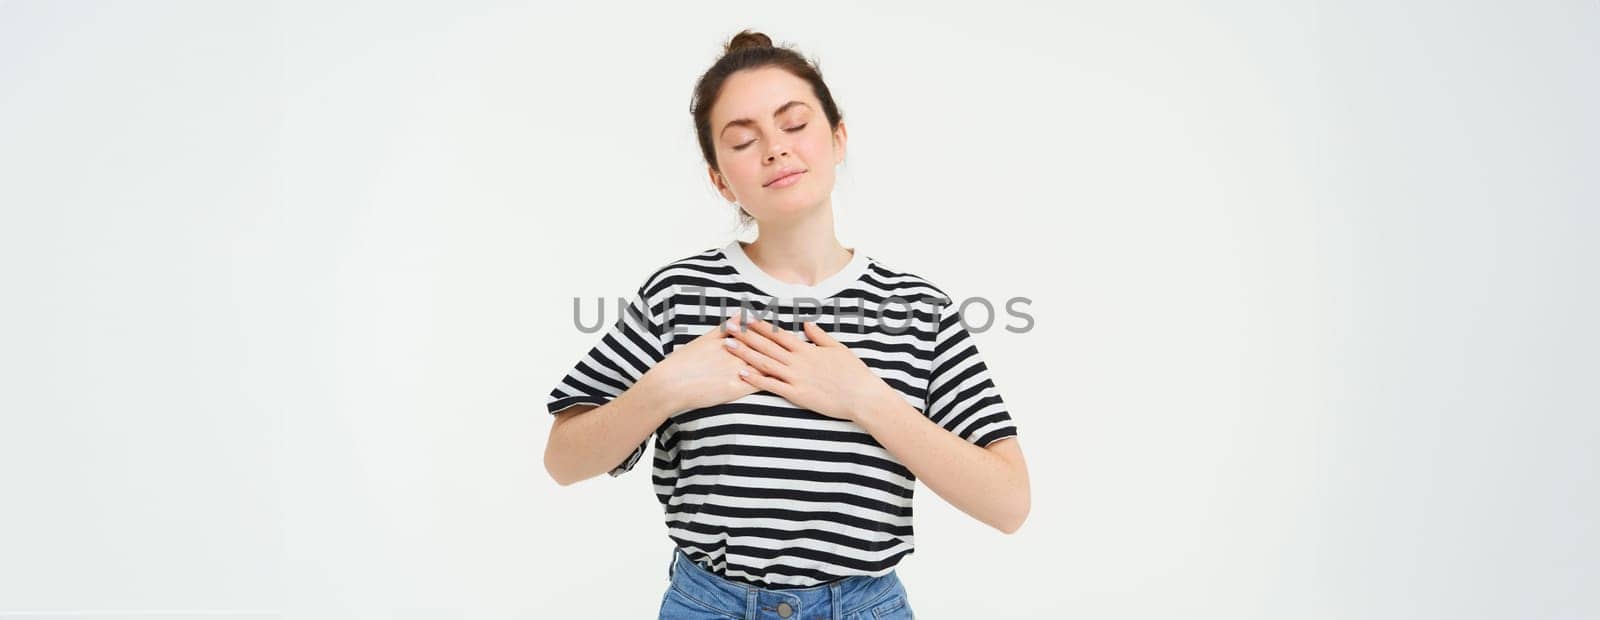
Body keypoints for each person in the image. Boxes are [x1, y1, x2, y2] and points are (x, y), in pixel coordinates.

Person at [544, 29, 1030, 620]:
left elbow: (1009, 502)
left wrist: (864, 398)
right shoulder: (678, 295)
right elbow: (563, 460)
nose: (775, 149)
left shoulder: (917, 308)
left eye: (795, 124)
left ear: (838, 137)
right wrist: (665, 388)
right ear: (720, 179)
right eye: (744, 140)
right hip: (709, 605)